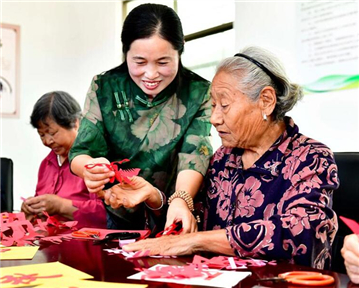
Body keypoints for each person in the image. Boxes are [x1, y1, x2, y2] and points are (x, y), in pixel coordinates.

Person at [122, 46, 339, 269]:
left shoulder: (310, 157)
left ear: (266, 100)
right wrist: (155, 198)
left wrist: (194, 242)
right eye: (213, 105)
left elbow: (299, 230)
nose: (214, 118)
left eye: (224, 105)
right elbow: (191, 219)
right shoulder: (224, 158)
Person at [69, 4, 212, 234]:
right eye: (140, 62)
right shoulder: (105, 86)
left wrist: (181, 199)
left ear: (180, 52)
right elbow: (81, 151)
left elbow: (195, 154)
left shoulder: (198, 92)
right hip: (119, 211)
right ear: (126, 53)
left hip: (175, 211)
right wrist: (90, 169)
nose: (151, 74)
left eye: (163, 62)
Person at [21, 91, 106, 229]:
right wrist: (32, 208)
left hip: (86, 247)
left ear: (75, 123)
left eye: (53, 133)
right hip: (50, 246)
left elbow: (108, 214)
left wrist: (61, 206)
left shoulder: (93, 161)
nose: (47, 140)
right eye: (41, 134)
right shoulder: (47, 164)